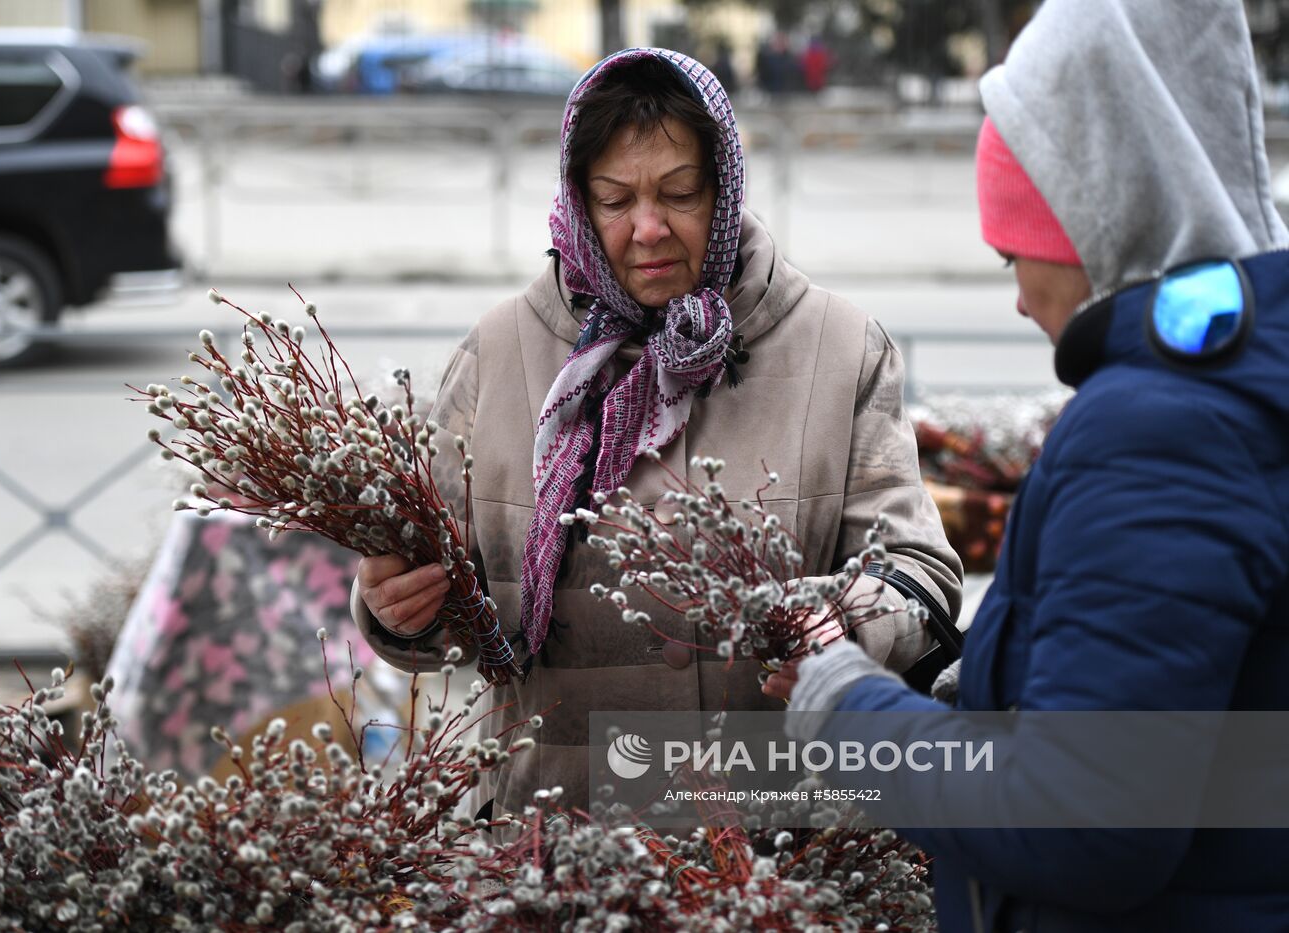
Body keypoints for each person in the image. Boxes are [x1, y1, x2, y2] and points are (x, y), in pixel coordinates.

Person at [769, 0, 1289, 929]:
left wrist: (847, 709)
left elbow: (1084, 823)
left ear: (1093, 224)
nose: (1015, 299)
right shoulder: (1240, 381)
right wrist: (994, 695)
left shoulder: (1160, 432)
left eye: (1014, 254)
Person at [351, 48, 961, 818]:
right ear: (578, 200)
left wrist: (847, 622)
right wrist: (397, 610)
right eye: (614, 199)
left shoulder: (840, 349)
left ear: (724, 187)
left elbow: (917, 573)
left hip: (774, 838)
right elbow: (449, 610)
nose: (648, 228)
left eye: (679, 193)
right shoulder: (498, 355)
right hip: (554, 839)